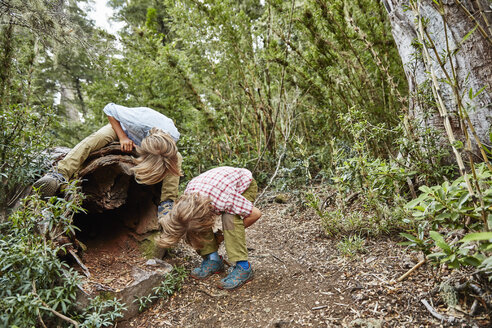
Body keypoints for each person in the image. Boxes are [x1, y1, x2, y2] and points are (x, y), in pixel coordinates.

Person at [33, 103, 182, 216]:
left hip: (149, 144)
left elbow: (169, 160)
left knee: (177, 158)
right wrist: (123, 137)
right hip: (122, 130)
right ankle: (59, 174)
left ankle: (167, 203)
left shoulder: (172, 138)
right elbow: (109, 108)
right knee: (98, 138)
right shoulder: (138, 121)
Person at [156, 166, 262, 290]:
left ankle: (244, 267)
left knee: (230, 219)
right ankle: (214, 260)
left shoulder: (225, 200)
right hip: (214, 187)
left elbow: (255, 214)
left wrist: (223, 235)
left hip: (243, 184)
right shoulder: (187, 200)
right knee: (192, 224)